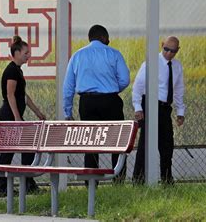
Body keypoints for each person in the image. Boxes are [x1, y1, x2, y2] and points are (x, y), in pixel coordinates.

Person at [63, 24, 130, 185]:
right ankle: (119, 181)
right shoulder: (114, 53)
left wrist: (68, 111)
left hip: (87, 102)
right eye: (108, 38)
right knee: (117, 142)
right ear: (103, 37)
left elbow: (68, 87)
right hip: (110, 101)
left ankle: (91, 183)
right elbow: (125, 79)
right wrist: (112, 89)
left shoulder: (77, 56)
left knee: (91, 144)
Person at [0, 36, 46, 198]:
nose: (28, 55)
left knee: (27, 147)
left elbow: (22, 96)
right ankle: (2, 187)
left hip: (15, 114)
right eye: (26, 52)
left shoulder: (18, 70)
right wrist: (17, 118)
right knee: (8, 150)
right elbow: (10, 95)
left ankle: (27, 181)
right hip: (9, 114)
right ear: (16, 53)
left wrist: (38, 113)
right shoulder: (11, 70)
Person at [132, 36, 185, 185]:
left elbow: (179, 90)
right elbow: (138, 86)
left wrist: (180, 112)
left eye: (173, 51)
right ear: (162, 45)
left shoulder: (177, 66)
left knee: (167, 144)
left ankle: (167, 179)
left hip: (164, 108)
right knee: (145, 144)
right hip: (150, 104)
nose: (169, 53)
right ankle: (138, 179)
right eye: (166, 49)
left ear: (177, 51)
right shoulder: (152, 62)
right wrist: (138, 107)